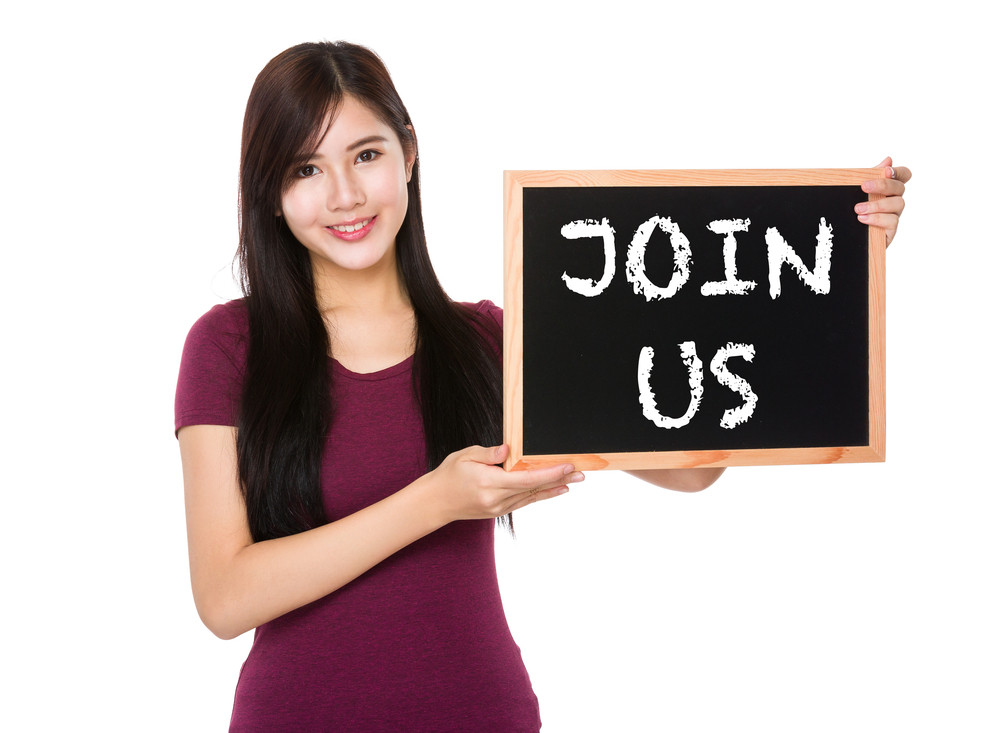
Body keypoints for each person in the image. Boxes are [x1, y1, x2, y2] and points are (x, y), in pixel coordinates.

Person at [175, 41, 910, 732]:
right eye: (305, 169)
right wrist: (435, 500)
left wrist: (837, 262)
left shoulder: (493, 341)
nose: (343, 194)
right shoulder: (229, 347)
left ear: (409, 154)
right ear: (269, 193)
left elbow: (692, 469)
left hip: (480, 709)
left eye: (365, 154)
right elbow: (226, 595)